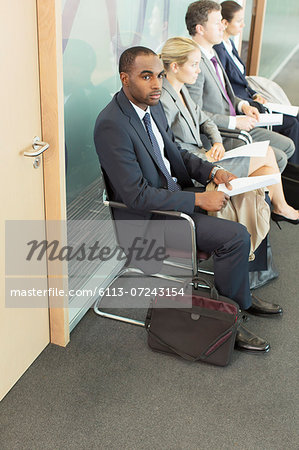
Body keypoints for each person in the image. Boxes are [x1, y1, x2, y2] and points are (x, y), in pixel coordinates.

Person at [94, 46, 285, 354]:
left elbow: (177, 154)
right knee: (235, 236)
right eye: (146, 77)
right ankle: (228, 319)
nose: (157, 84)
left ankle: (244, 293)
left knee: (251, 193)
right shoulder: (112, 125)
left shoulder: (150, 106)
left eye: (158, 75)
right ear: (124, 79)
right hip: (152, 219)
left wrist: (214, 170)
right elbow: (135, 195)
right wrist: (199, 202)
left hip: (175, 195)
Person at [160, 37, 299, 225]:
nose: (198, 70)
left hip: (205, 155)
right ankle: (278, 210)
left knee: (266, 171)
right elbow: (173, 149)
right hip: (196, 168)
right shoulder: (163, 101)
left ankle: (251, 225)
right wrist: (207, 157)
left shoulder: (182, 90)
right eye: (194, 65)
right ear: (175, 67)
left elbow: (206, 121)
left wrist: (217, 141)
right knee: (266, 155)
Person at [185, 0, 295, 175]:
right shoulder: (193, 63)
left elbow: (226, 94)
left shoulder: (212, 53)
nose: (222, 27)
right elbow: (195, 113)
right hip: (218, 134)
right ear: (200, 29)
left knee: (288, 145)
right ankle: (259, 197)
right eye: (217, 23)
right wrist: (235, 122)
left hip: (234, 122)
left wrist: (242, 105)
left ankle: (261, 193)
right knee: (278, 156)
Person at [213, 0, 299, 165]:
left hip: (250, 100)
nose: (243, 25)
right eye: (239, 21)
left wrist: (255, 93)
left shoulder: (229, 44)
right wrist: (249, 101)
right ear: (224, 23)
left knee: (297, 116)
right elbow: (227, 88)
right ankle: (293, 175)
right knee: (292, 125)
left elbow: (242, 80)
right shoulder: (218, 50)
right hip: (245, 108)